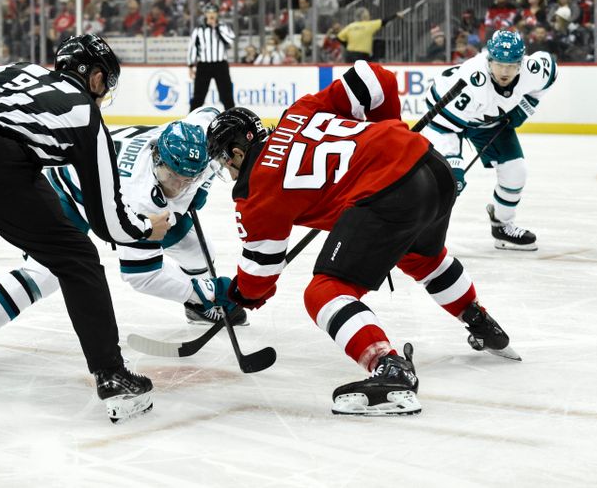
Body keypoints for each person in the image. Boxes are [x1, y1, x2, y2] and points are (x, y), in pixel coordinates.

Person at [198, 61, 518, 417]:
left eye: (225, 163)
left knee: (324, 292)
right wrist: (389, 129)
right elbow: (375, 77)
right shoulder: (300, 111)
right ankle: (480, 322)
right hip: (431, 164)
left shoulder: (256, 193)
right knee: (420, 257)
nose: (228, 171)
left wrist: (237, 295)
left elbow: (260, 275)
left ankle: (389, 368)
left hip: (390, 193)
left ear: (237, 153)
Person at [0, 33, 170, 423]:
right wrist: (146, 228)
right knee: (76, 256)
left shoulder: (13, 69)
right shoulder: (83, 112)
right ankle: (113, 376)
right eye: (105, 86)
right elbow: (107, 221)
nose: (102, 96)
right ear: (95, 78)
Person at [0, 108, 250, 365]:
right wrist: (207, 290)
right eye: (173, 177)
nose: (179, 187)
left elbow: (211, 113)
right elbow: (141, 275)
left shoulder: (199, 137)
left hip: (108, 189)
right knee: (47, 272)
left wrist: (201, 184)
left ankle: (196, 308)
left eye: (189, 179)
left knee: (193, 246)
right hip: (66, 193)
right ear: (157, 159)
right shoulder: (141, 196)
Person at [421, 30, 557, 251]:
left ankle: (502, 226)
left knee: (516, 171)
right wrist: (454, 164)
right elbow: (442, 125)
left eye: (512, 65)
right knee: (449, 183)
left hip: (490, 120)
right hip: (447, 120)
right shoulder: (471, 80)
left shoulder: (534, 71)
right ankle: (418, 233)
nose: (505, 71)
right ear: (489, 60)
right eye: (499, 64)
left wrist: (525, 107)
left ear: (521, 63)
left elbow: (550, 72)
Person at [187, 3, 235, 112]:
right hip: (204, 65)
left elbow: (230, 41)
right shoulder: (198, 30)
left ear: (217, 14)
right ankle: (190, 121)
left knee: (226, 95)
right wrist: (190, 65)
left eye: (214, 12)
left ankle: (233, 119)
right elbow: (192, 47)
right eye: (209, 12)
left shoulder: (223, 27)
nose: (211, 14)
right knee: (198, 96)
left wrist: (216, 28)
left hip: (220, 65)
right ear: (205, 14)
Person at [336, 7, 403, 62]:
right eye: (368, 14)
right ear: (364, 16)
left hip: (349, 54)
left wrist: (347, 45)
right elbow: (384, 21)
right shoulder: (369, 25)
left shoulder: (351, 26)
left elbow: (339, 37)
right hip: (362, 55)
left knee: (350, 75)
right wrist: (396, 15)